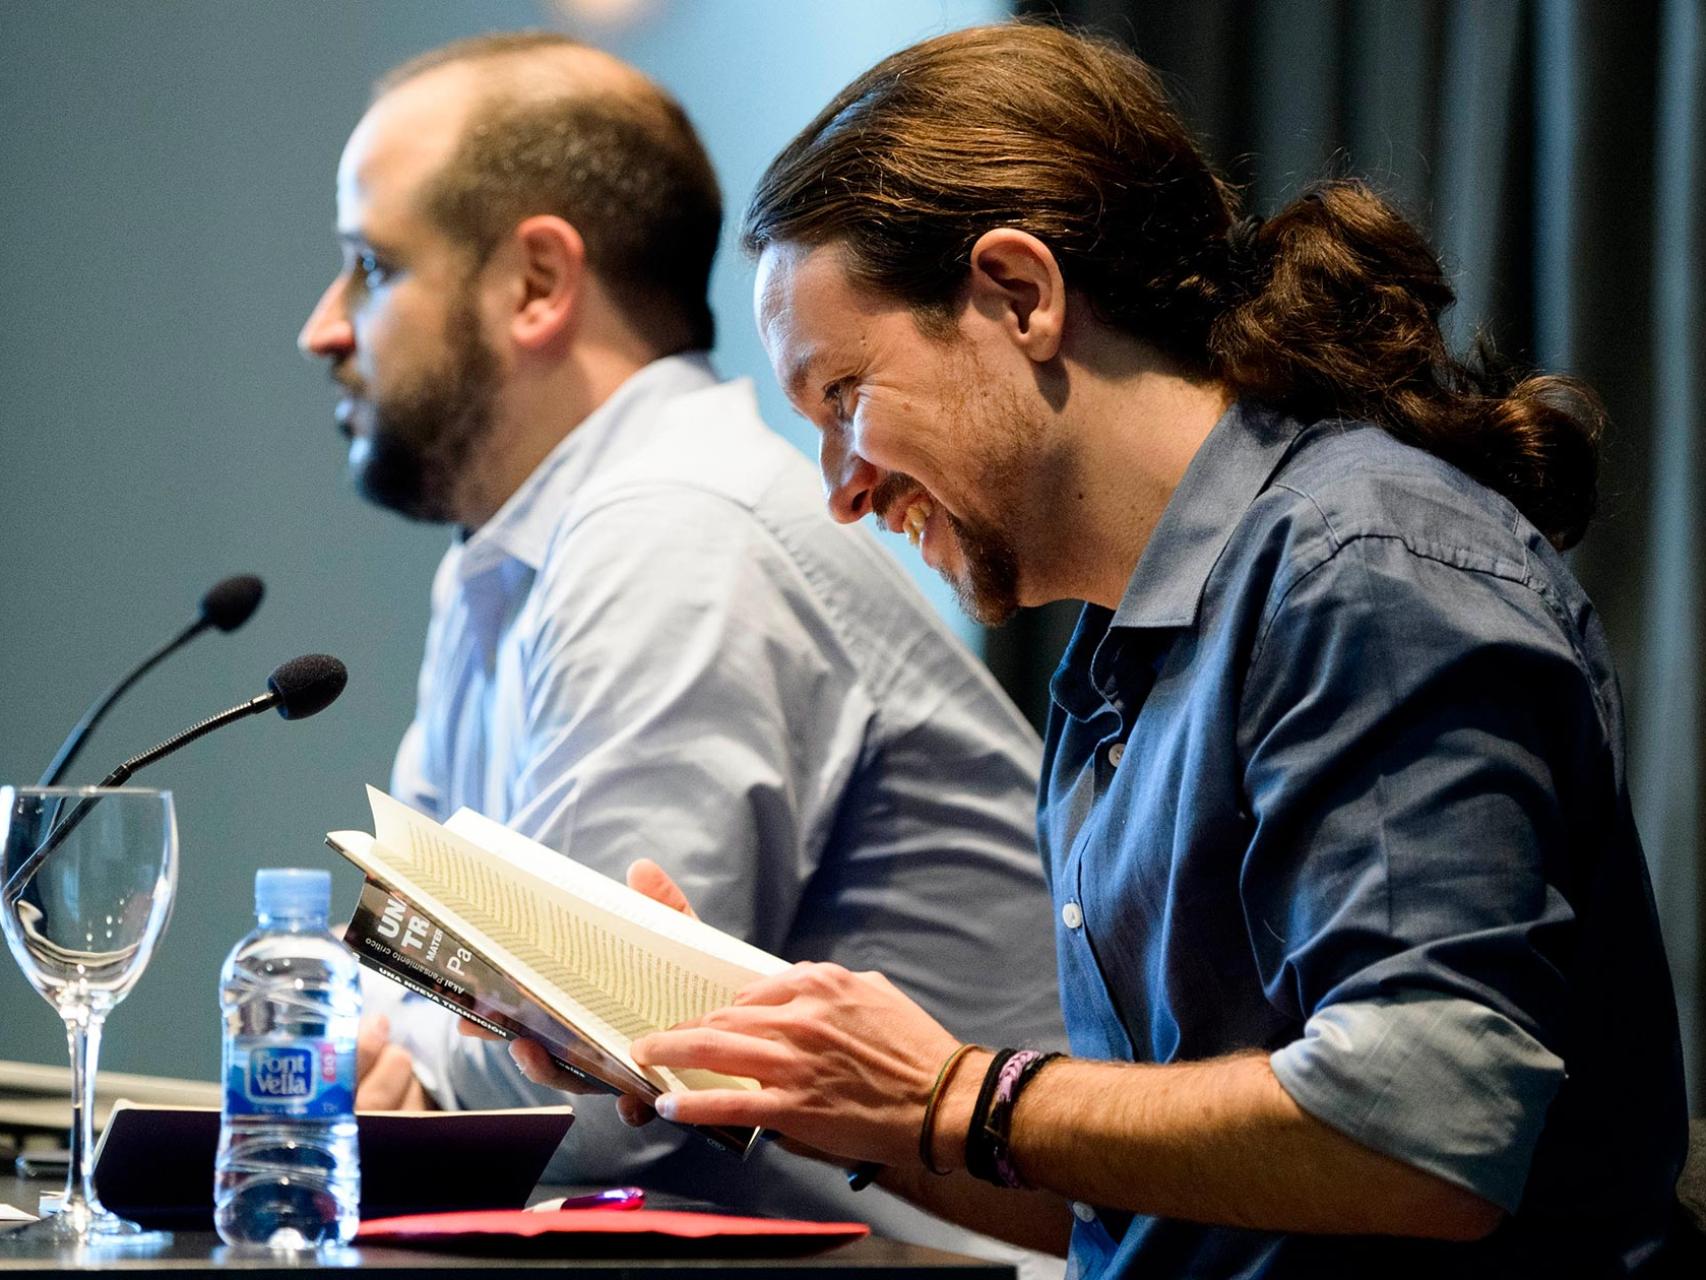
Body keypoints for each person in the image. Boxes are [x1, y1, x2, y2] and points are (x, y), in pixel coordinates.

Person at [513, 21, 1689, 1279]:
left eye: (844, 398)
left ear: (1019, 294)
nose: (840, 489)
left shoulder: (1362, 563)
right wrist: (789, 1077)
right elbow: (1138, 1205)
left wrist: (960, 1089)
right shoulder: (1114, 671)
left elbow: (1425, 1121)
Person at [295, 30, 1065, 1262]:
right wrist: (385, 1047)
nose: (322, 327)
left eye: (368, 266)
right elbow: (430, 985)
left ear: (539, 283)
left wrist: (364, 1057)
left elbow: (608, 1099)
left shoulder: (672, 528)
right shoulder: (508, 557)